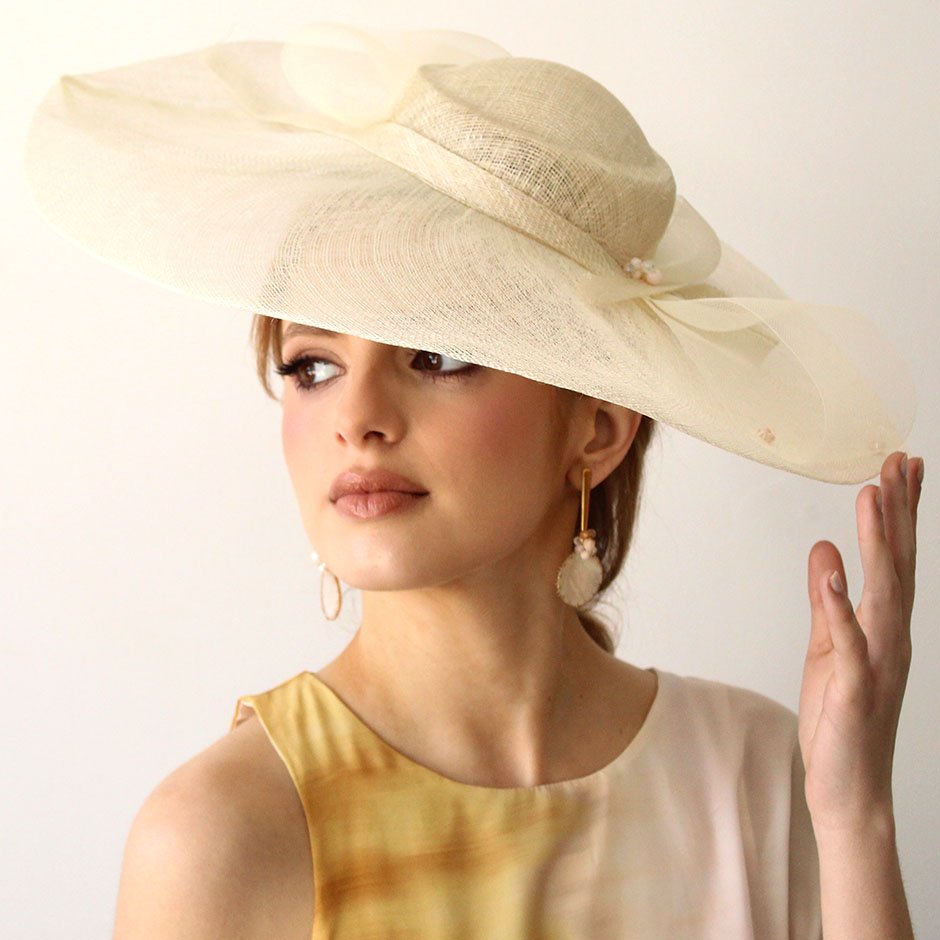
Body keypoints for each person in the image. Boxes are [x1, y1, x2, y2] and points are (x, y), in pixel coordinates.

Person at [23, 22, 922, 940]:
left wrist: (856, 820)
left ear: (598, 428)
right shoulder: (223, 836)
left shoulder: (759, 774)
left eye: (437, 355)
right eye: (312, 365)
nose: (357, 417)